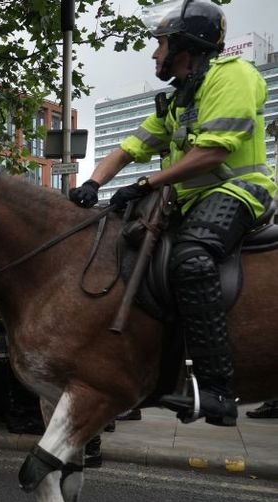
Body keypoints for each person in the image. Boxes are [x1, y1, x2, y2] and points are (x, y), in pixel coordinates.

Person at [69, 0, 275, 426]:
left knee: (192, 257)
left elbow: (213, 152)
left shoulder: (233, 76)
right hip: (192, 202)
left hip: (241, 192)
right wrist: (92, 184)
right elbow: (129, 149)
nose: (154, 53)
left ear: (185, 44)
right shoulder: (179, 100)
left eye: (160, 43)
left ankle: (218, 390)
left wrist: (146, 184)